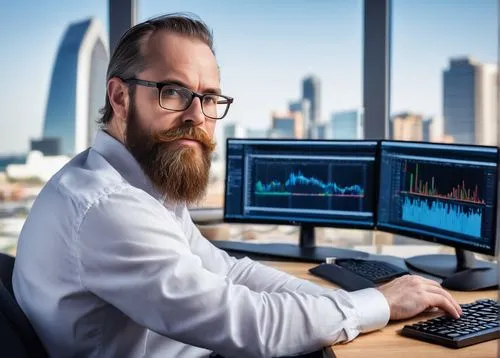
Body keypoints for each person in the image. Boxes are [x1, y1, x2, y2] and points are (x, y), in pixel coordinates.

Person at [12, 13, 462, 358]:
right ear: (119, 97)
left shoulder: (139, 181)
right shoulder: (108, 208)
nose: (197, 115)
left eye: (209, 98)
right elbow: (249, 324)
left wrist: (352, 302)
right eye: (173, 91)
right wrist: (376, 304)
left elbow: (226, 272)